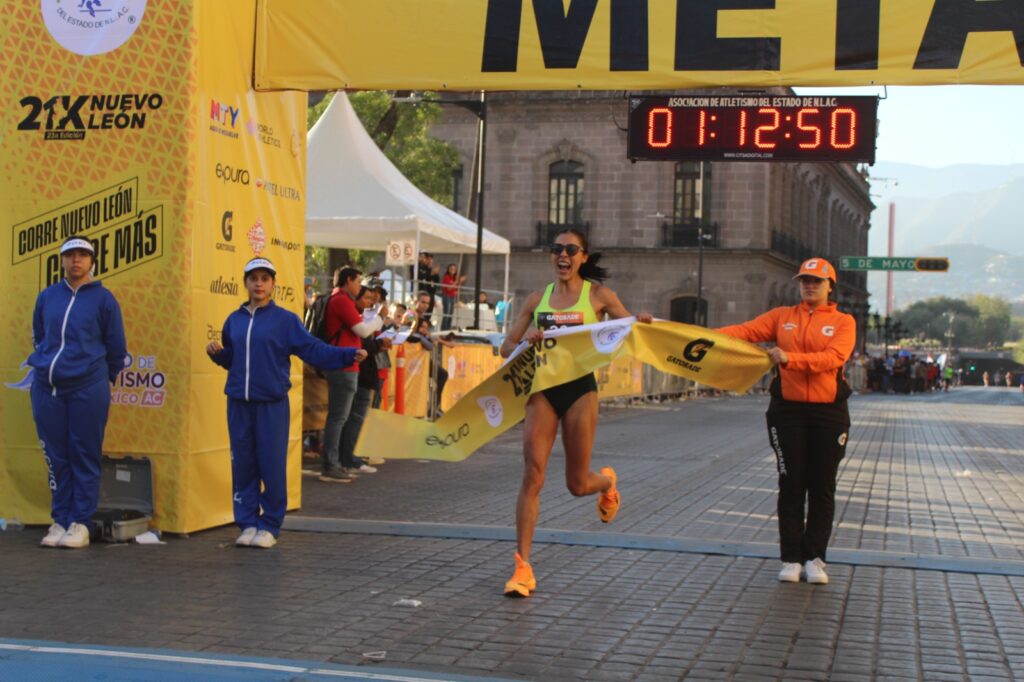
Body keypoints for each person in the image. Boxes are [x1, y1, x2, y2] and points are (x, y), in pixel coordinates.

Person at [498, 228, 652, 598]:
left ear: (583, 256)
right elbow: (505, 347)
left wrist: (642, 321)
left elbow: (628, 329)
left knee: (577, 484)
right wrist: (524, 341)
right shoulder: (537, 299)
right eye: (557, 249)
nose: (562, 255)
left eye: (571, 249)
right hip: (543, 389)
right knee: (532, 474)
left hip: (581, 389)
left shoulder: (598, 296)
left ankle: (607, 483)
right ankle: (522, 567)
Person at [207, 257, 365, 548]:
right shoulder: (234, 320)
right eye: (253, 278)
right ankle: (247, 522)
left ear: (273, 284)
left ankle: (269, 525)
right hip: (239, 404)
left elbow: (312, 349)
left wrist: (345, 355)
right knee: (243, 465)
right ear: (245, 283)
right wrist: (218, 355)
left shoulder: (286, 321)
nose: (259, 284)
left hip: (271, 404)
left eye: (264, 279)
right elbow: (233, 360)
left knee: (271, 465)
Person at [717, 257, 855, 585]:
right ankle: (791, 558)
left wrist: (791, 358)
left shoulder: (844, 322)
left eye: (817, 281)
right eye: (805, 280)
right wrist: (685, 333)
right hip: (787, 412)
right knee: (790, 485)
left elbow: (834, 358)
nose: (809, 285)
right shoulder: (782, 317)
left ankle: (815, 559)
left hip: (828, 413)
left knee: (822, 486)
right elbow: (743, 331)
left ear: (830, 286)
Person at [28, 237, 127, 549]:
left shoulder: (104, 300)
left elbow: (116, 347)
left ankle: (80, 522)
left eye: (83, 255)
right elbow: (39, 336)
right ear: (62, 260)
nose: (76, 260)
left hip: (87, 387)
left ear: (92, 262)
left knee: (83, 454)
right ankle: (60, 520)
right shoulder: (47, 297)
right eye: (70, 255)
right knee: (57, 457)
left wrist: (98, 376)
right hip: (47, 388)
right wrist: (47, 366)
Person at [320, 266, 384, 482]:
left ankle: (337, 461)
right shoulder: (341, 301)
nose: (360, 286)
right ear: (348, 280)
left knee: (341, 417)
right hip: (343, 367)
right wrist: (380, 319)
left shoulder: (341, 300)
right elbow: (363, 330)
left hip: (346, 365)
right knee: (338, 418)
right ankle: (331, 464)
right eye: (358, 282)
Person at [337, 285, 391, 476]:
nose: (371, 302)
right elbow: (362, 339)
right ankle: (347, 459)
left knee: (350, 417)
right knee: (351, 417)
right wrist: (379, 341)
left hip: (362, 373)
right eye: (368, 298)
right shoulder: (355, 316)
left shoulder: (360, 316)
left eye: (374, 298)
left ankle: (345, 457)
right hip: (356, 372)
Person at [407, 316, 455, 418]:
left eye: (426, 328)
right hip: (415, 366)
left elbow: (437, 341)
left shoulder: (423, 336)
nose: (424, 330)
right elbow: (430, 346)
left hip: (421, 364)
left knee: (442, 375)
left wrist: (436, 339)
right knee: (442, 375)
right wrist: (426, 338)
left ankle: (435, 406)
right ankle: (432, 407)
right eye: (422, 327)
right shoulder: (415, 335)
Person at [440, 264, 466, 331]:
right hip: (447, 296)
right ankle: (444, 329)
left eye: (454, 269)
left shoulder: (454, 278)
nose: (452, 270)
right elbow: (449, 288)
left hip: (452, 297)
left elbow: (457, 288)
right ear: (448, 269)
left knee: (451, 314)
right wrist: (457, 281)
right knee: (447, 313)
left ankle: (448, 329)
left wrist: (459, 281)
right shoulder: (446, 277)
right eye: (451, 268)